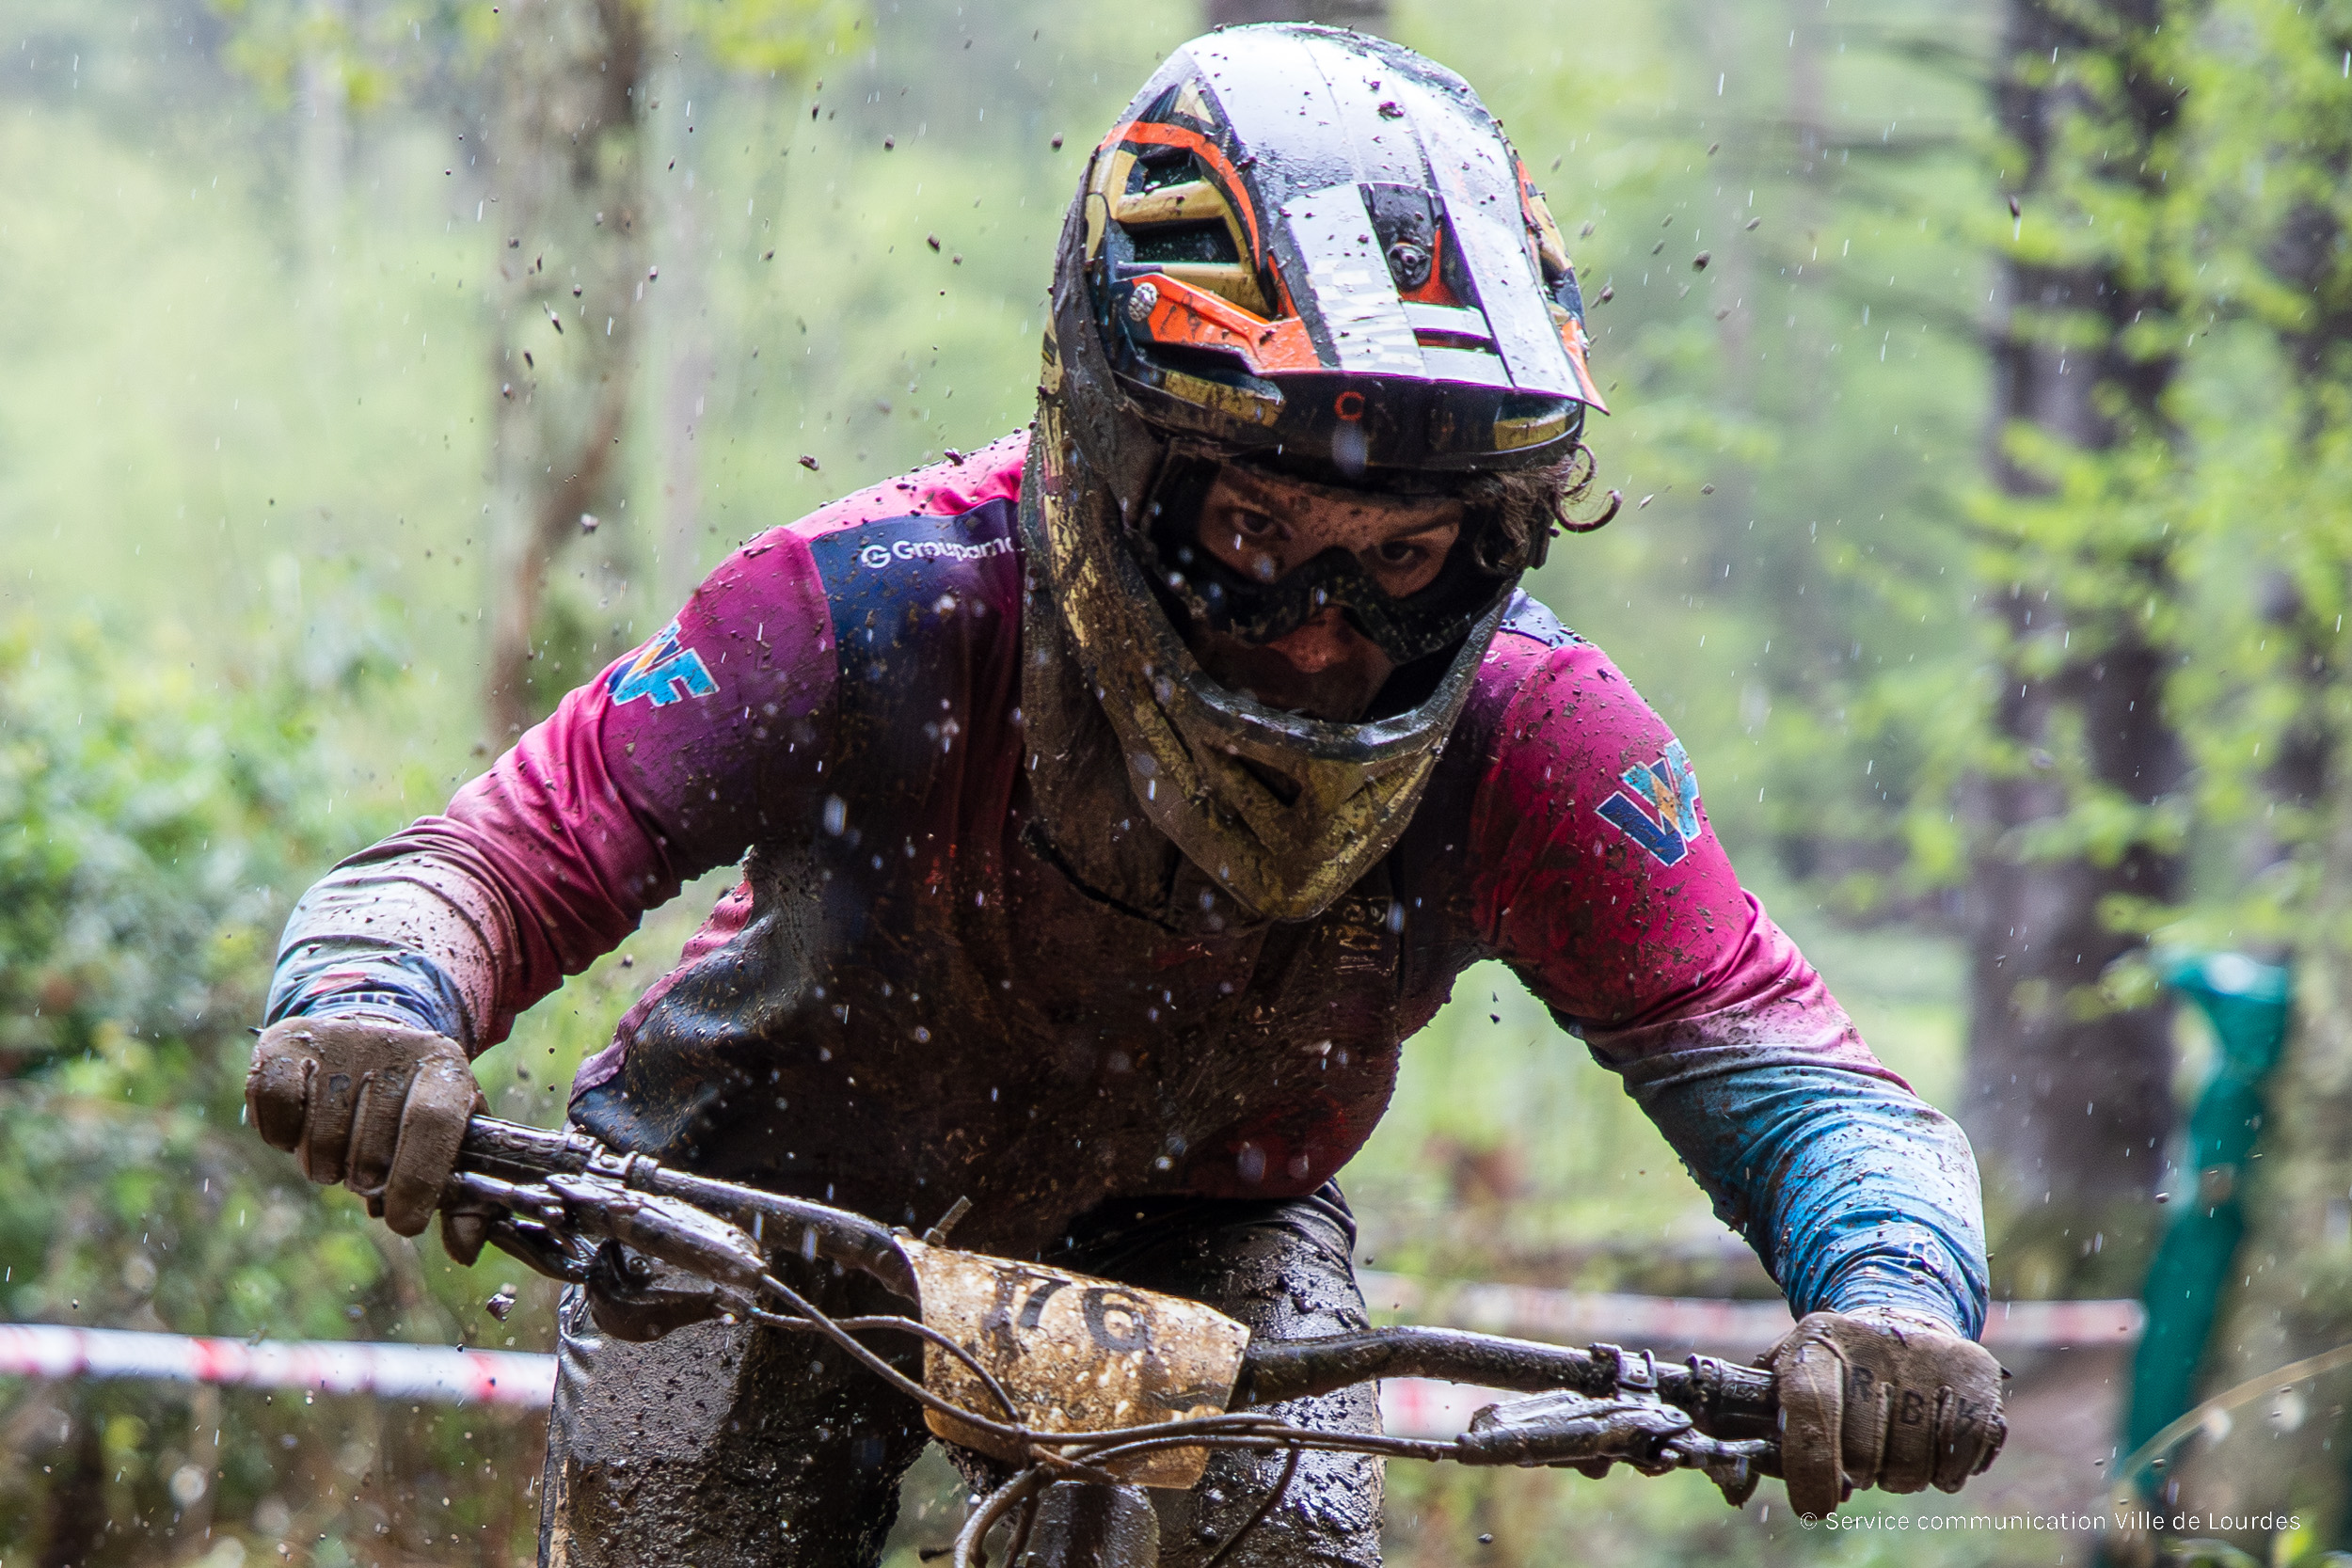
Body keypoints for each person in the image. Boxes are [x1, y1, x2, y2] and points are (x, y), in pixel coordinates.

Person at [246, 23, 2003, 1566]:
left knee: (1287, 1540)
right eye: (1257, 534)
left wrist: (1894, 1300)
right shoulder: (872, 608)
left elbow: (1791, 1072)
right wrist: (373, 1007)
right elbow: (499, 850)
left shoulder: (1536, 736)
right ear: (1112, 455)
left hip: (1209, 1222)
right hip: (756, 1189)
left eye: (1410, 560)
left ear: (1510, 535)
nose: (1328, 638)